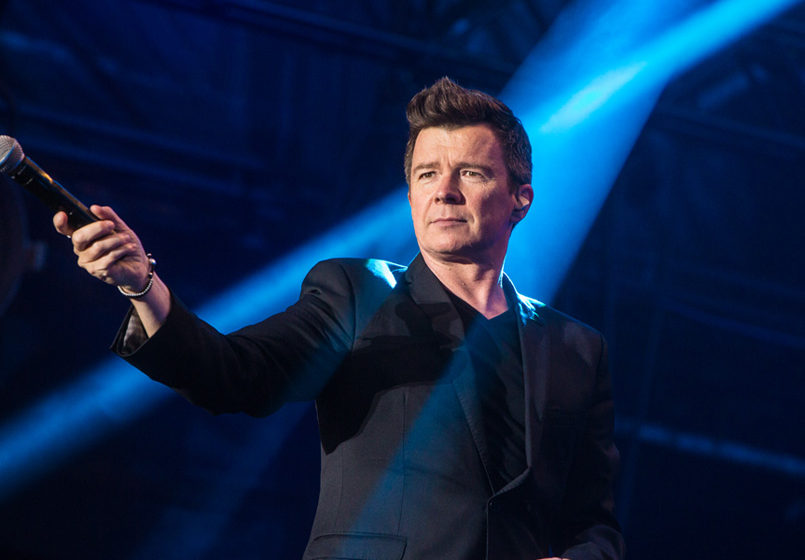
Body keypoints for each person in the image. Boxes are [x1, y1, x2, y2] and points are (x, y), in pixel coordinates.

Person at [54, 77, 624, 560]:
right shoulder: (358, 291)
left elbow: (595, 522)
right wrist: (143, 286)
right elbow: (233, 373)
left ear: (520, 198)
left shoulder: (575, 346)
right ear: (409, 196)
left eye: (471, 173)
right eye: (427, 175)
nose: (444, 192)